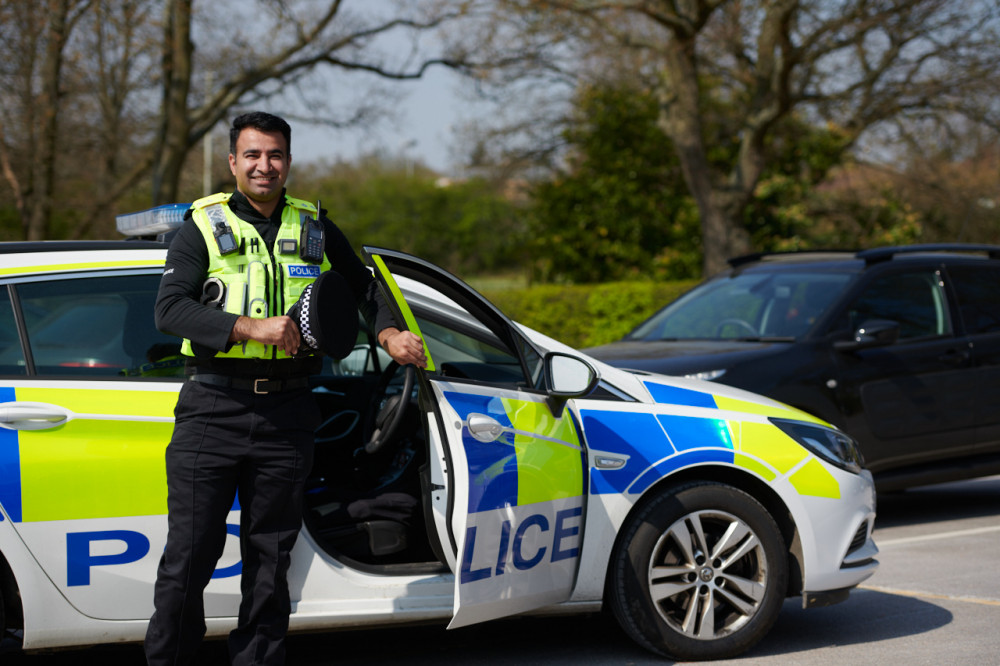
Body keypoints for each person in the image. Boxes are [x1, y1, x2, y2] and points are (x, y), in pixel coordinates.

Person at [145, 111, 425, 665]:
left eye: (274, 155)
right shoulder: (200, 227)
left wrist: (389, 331)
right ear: (233, 162)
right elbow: (169, 310)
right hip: (213, 409)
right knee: (189, 560)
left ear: (288, 162)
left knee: (271, 563)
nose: (264, 165)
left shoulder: (315, 225)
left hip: (290, 413)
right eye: (252, 155)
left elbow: (365, 286)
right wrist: (250, 328)